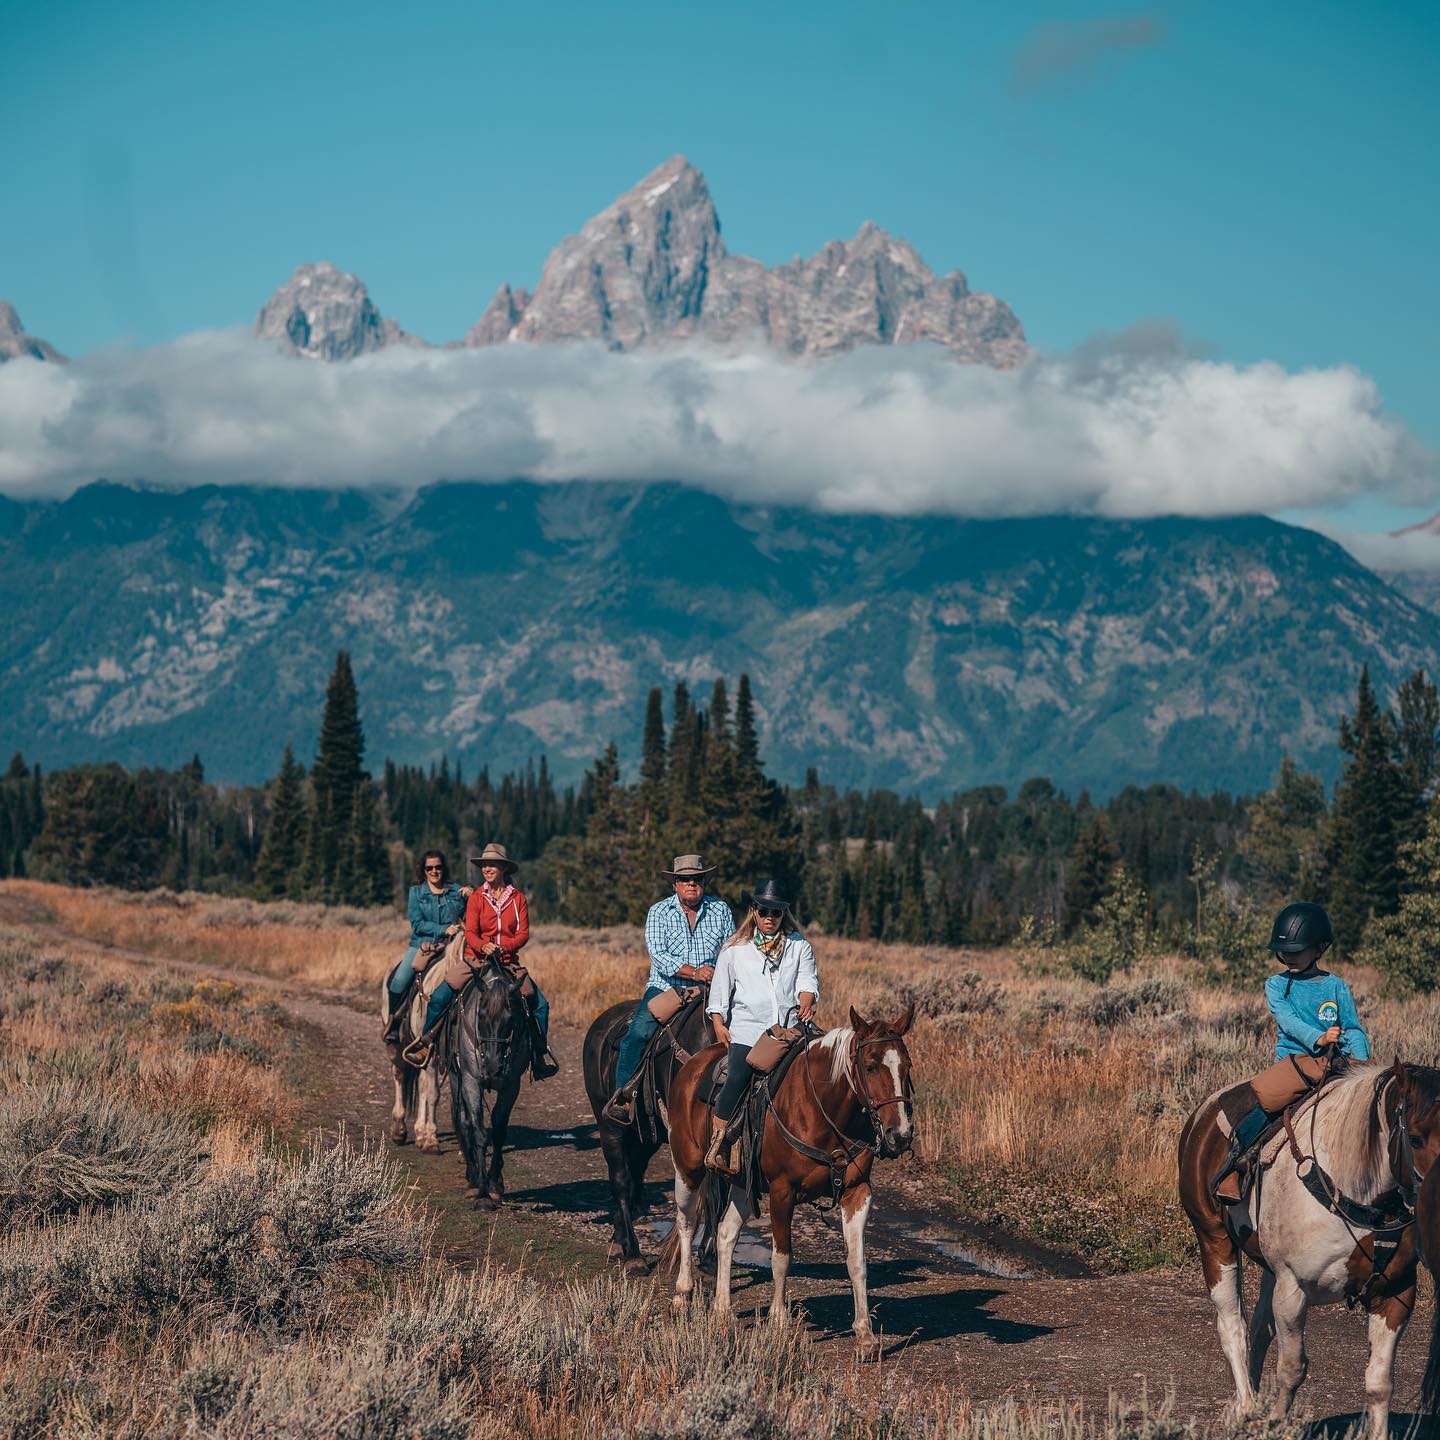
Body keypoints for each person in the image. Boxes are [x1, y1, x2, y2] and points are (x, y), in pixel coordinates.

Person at [1213, 901, 1371, 1202]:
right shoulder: (1276, 985)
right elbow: (1287, 1020)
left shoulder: (1336, 987)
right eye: (1284, 951)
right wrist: (1319, 1037)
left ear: (1320, 947)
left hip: (1334, 1065)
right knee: (1262, 1109)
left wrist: (1363, 1066)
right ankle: (1234, 1167)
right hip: (1291, 1067)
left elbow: (1352, 1028)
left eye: (1297, 950)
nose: (1289, 956)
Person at [602, 854, 735, 1125]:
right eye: (685, 879)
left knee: (746, 1028)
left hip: (713, 988)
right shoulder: (659, 912)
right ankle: (623, 1097)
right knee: (638, 1033)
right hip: (667, 987)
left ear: (704, 882)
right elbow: (659, 956)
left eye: (697, 879)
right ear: (675, 884)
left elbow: (731, 950)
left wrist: (718, 973)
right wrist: (695, 972)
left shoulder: (720, 910)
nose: (691, 884)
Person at [704, 879, 818, 1175]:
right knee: (737, 1077)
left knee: (822, 1070)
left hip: (790, 1028)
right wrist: (718, 1023)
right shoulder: (734, 949)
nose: (770, 917)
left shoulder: (799, 946)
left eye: (776, 912)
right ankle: (720, 1143)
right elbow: (720, 992)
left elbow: (807, 980)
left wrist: (807, 997)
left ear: (784, 914)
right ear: (753, 910)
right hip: (748, 1030)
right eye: (764, 911)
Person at [383, 850, 471, 1041]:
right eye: (429, 868)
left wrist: (472, 894)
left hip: (452, 946)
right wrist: (444, 929)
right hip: (422, 945)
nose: (434, 871)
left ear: (443, 868)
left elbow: (472, 911)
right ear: (423, 871)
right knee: (400, 980)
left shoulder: (456, 891)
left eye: (438, 867)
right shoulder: (416, 893)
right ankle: (393, 1023)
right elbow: (417, 924)